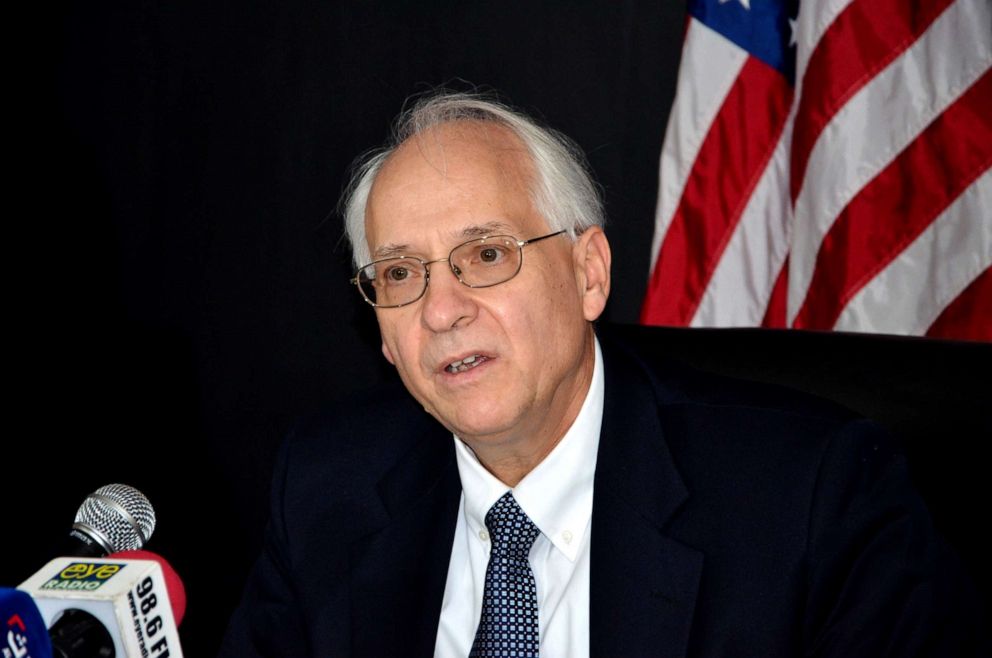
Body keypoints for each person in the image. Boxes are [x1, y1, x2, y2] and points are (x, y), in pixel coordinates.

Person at [219, 91, 984, 657]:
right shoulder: (328, 487)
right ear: (381, 333)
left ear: (589, 273)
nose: (441, 310)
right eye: (398, 274)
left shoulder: (811, 498)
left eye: (486, 255)